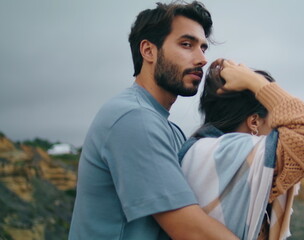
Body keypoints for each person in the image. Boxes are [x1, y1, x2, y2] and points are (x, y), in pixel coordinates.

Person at [69, 2, 239, 239]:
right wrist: (257, 85)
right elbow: (192, 231)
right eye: (187, 45)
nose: (202, 59)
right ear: (148, 51)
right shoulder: (132, 118)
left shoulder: (167, 127)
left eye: (203, 48)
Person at [178, 59, 304, 239]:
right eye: (274, 122)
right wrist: (254, 82)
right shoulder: (242, 157)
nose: (276, 131)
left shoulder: (194, 151)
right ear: (254, 122)